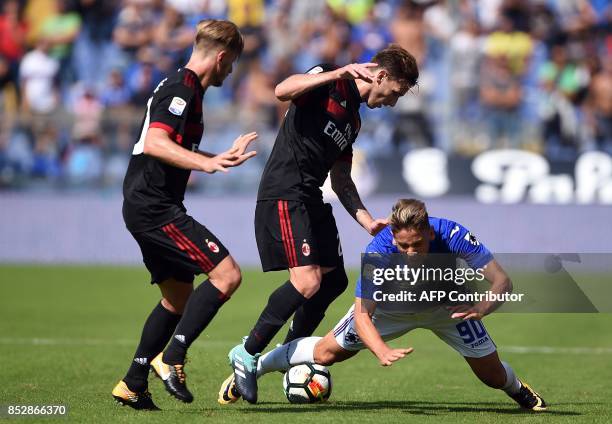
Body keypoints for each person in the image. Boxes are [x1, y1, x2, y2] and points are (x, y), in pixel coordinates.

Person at [225, 44, 419, 404]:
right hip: (285, 190)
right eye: (395, 93)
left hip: (311, 196)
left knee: (333, 281)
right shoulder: (329, 80)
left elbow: (341, 178)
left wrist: (365, 220)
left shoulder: (355, 120)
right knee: (308, 280)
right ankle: (246, 353)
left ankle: (283, 353)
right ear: (380, 77)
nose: (393, 102)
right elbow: (281, 91)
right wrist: (339, 72)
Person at [221, 199, 547, 411]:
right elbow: (363, 314)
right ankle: (252, 368)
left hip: (449, 309)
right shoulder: (379, 252)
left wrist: (481, 308)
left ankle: (518, 390)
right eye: (402, 245)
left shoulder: (453, 234)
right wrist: (380, 350)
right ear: (393, 236)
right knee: (325, 353)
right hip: (390, 308)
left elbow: (502, 282)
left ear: (429, 233)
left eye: (417, 244)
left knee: (491, 375)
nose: (409, 252)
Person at [111, 19, 258, 410]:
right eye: (231, 64)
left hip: (147, 204)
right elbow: (156, 143)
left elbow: (162, 143)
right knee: (227, 275)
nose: (230, 72)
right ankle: (171, 357)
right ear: (222, 56)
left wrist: (216, 157)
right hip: (154, 206)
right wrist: (203, 164)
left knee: (177, 298)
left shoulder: (184, 86)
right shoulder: (182, 88)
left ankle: (133, 381)